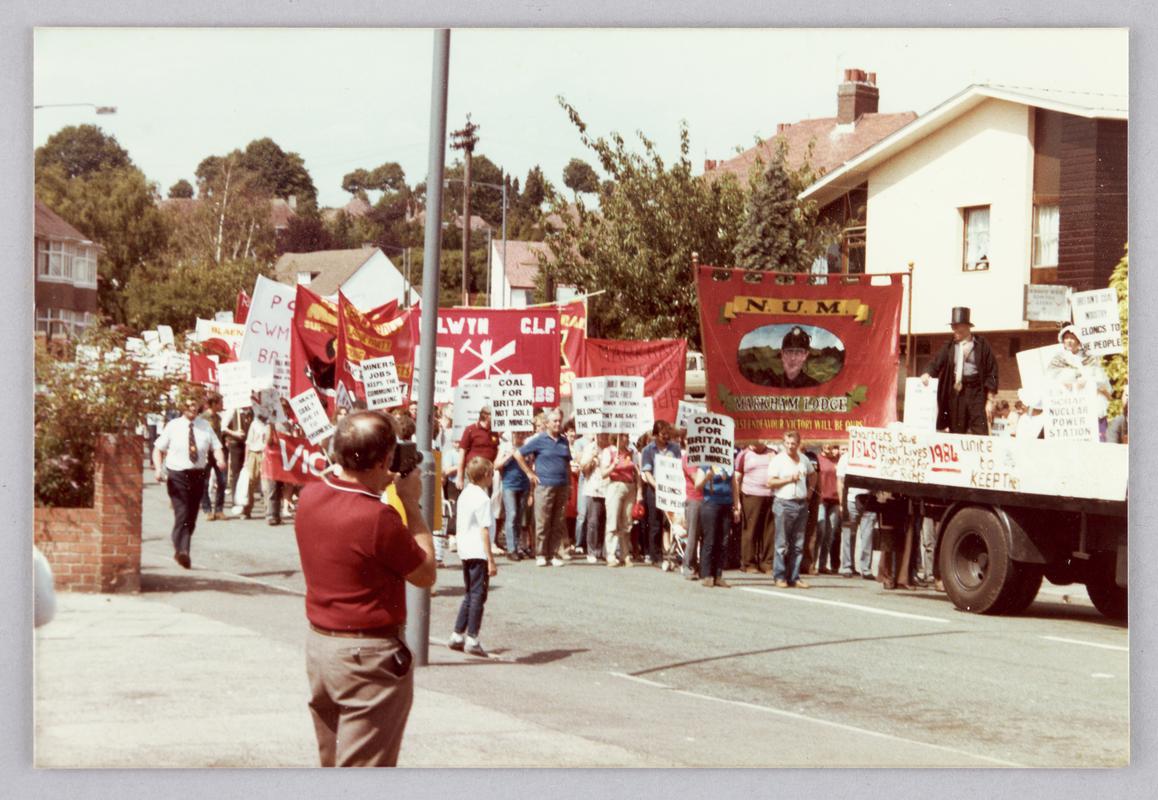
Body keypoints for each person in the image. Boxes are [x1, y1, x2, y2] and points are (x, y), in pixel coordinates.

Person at [294, 410, 436, 768]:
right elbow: (425, 573)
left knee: (332, 763)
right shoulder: (376, 516)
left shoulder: (309, 496)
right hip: (366, 658)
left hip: (321, 648)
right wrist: (411, 506)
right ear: (384, 460)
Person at [152, 395, 225, 569]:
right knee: (182, 512)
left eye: (195, 405)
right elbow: (158, 449)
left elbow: (217, 447)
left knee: (191, 517)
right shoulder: (173, 426)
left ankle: (180, 549)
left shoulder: (205, 426)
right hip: (177, 474)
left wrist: (220, 459)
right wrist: (157, 469)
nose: (193, 408)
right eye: (190, 405)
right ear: (183, 406)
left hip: (198, 475)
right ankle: (183, 551)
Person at [448, 457, 498, 657]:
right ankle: (472, 637)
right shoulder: (483, 499)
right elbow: (484, 530)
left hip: (465, 549)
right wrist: (491, 559)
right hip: (478, 551)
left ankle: (457, 634)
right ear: (486, 475)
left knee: (470, 593)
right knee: (478, 594)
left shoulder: (466, 493)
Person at [920, 306, 998, 434]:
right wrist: (927, 373)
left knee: (980, 429)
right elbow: (935, 363)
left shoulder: (982, 345)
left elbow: (992, 371)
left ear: (967, 327)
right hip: (956, 394)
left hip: (976, 392)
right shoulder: (949, 346)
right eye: (953, 326)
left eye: (957, 326)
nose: (954, 329)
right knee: (956, 429)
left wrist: (990, 400)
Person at [514, 408, 572, 567]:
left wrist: (570, 485)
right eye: (554, 421)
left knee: (558, 521)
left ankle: (553, 553)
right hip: (544, 485)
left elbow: (567, 463)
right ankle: (540, 553)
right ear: (547, 423)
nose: (558, 424)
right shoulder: (539, 439)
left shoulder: (564, 441)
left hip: (562, 485)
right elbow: (518, 454)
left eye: (559, 421)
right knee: (543, 521)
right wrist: (530, 473)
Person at [766, 431, 816, 588]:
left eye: (793, 443)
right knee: (782, 543)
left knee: (798, 543)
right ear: (783, 443)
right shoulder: (778, 460)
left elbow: (813, 474)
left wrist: (810, 491)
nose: (790, 446)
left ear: (798, 444)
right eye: (787, 443)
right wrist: (789, 479)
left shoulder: (803, 459)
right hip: (784, 502)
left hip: (801, 503)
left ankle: (794, 576)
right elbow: (770, 482)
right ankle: (779, 576)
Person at [1047, 325, 1112, 440]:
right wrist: (1069, 381)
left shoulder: (1090, 358)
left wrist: (1087, 382)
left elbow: (1100, 380)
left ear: (1078, 340)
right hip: (1068, 406)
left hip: (1087, 404)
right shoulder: (1057, 359)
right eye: (1066, 338)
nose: (1069, 341)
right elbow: (1051, 380)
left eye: (1072, 337)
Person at [639, 422, 682, 566]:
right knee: (655, 523)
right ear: (656, 435)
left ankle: (671, 554)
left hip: (672, 489)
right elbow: (647, 471)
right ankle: (655, 556)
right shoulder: (648, 450)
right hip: (654, 489)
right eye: (663, 434)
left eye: (668, 434)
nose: (666, 437)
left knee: (671, 522)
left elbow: (679, 466)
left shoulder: (675, 448)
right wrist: (657, 486)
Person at [733, 440, 776, 574]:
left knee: (769, 531)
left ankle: (767, 563)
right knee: (750, 530)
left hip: (770, 495)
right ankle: (748, 563)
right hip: (751, 495)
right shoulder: (744, 454)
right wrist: (737, 502)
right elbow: (737, 478)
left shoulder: (773, 453)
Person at [600, 432, 640, 567]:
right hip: (615, 486)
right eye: (623, 436)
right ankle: (610, 554)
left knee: (627, 523)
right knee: (613, 521)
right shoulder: (609, 452)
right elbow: (603, 473)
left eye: (627, 436)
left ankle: (625, 554)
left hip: (630, 487)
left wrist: (639, 492)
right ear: (616, 437)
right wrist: (613, 465)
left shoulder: (631, 453)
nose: (626, 439)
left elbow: (637, 473)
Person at [836, 445, 875, 579]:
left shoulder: (871, 456)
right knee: (848, 534)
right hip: (851, 500)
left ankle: (866, 568)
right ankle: (847, 566)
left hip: (868, 500)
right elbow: (840, 482)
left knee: (867, 536)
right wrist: (842, 503)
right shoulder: (845, 458)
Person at [494, 430, 533, 560]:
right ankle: (511, 549)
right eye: (517, 434)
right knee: (512, 514)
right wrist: (509, 456)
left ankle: (516, 547)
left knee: (519, 517)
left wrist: (531, 490)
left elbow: (531, 466)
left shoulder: (527, 447)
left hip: (524, 485)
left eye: (522, 434)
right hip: (509, 484)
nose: (520, 436)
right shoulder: (506, 446)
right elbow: (496, 465)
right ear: (513, 434)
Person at [694, 464, 733, 588]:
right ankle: (706, 575)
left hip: (726, 504)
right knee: (710, 539)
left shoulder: (728, 464)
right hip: (711, 504)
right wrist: (706, 478)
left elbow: (734, 485)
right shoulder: (705, 466)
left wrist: (737, 504)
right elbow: (697, 486)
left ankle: (718, 575)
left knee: (723, 541)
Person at [578, 432, 611, 563]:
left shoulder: (611, 448)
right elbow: (584, 470)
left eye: (605, 435)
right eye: (601, 435)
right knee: (593, 521)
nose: (604, 437)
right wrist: (592, 458)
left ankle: (602, 550)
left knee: (605, 521)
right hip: (594, 488)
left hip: (608, 488)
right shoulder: (590, 448)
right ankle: (591, 550)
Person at [813, 443, 841, 574]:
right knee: (821, 529)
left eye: (832, 447)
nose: (830, 450)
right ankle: (812, 562)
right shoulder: (818, 459)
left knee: (830, 534)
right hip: (821, 499)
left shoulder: (838, 461)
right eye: (827, 447)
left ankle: (823, 564)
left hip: (835, 499)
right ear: (822, 446)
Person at [199, 393, 227, 521]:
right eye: (220, 403)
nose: (222, 405)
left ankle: (219, 509)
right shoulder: (202, 418)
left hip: (217, 451)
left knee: (222, 481)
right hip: (206, 452)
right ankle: (207, 510)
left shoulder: (218, 418)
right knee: (204, 482)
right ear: (214, 404)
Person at [240, 407, 270, 519]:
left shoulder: (270, 424)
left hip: (266, 454)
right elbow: (248, 443)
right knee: (250, 482)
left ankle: (269, 512)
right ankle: (247, 510)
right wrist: (246, 460)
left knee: (266, 485)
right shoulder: (254, 424)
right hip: (254, 454)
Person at [680, 446, 704, 580]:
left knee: (706, 535)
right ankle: (689, 566)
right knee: (693, 535)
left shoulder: (706, 456)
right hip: (695, 499)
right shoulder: (689, 457)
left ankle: (703, 567)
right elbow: (696, 480)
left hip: (708, 499)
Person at [221, 406, 252, 506]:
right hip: (236, 444)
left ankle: (245, 499)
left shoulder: (251, 411)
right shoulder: (233, 410)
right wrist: (234, 433)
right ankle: (236, 500)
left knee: (248, 472)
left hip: (248, 444)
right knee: (236, 473)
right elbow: (223, 427)